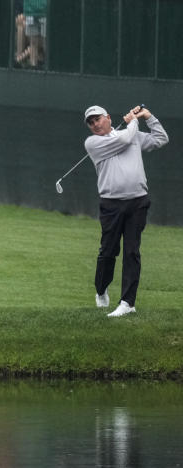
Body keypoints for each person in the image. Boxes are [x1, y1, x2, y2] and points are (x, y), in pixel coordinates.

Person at [83, 105, 168, 317]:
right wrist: (133, 121)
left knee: (132, 252)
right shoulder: (93, 143)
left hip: (137, 202)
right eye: (91, 122)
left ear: (108, 118)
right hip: (111, 204)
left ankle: (128, 303)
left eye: (97, 119)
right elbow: (124, 140)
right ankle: (101, 290)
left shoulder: (131, 133)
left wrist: (149, 116)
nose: (95, 125)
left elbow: (161, 138)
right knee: (108, 251)